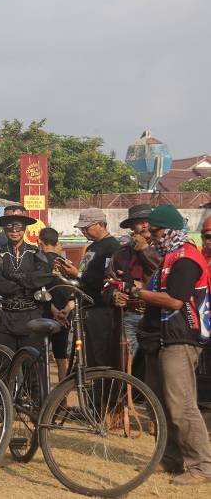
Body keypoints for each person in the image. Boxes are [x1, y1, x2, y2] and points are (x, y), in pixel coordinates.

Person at [121, 204, 211, 485]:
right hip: (159, 338)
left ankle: (201, 466)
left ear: (170, 230)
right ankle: (170, 458)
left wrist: (138, 291)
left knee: (181, 405)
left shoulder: (186, 258)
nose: (151, 237)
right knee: (159, 403)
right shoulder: (170, 257)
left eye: (155, 232)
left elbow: (174, 300)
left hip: (179, 338)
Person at [0, 213, 53, 353]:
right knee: (0, 366)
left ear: (25, 229)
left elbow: (44, 277)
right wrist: (26, 283)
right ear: (4, 229)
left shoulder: (36, 253)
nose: (14, 231)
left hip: (31, 314)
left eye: (18, 227)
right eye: (10, 227)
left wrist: (11, 276)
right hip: (5, 315)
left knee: (32, 366)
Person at [59, 208, 119, 369]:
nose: (84, 231)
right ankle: (95, 393)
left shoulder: (112, 247)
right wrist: (72, 274)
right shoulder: (92, 247)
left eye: (87, 228)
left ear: (100, 224)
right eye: (82, 228)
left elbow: (108, 281)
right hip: (87, 308)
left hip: (102, 309)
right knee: (90, 360)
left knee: (102, 359)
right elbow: (84, 276)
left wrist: (78, 274)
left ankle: (103, 393)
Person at [102, 204, 161, 362]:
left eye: (147, 221)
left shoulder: (165, 248)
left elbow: (164, 270)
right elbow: (108, 282)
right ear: (131, 226)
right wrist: (114, 295)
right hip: (130, 313)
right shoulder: (121, 252)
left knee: (157, 362)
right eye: (139, 222)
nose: (145, 225)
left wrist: (145, 249)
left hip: (157, 313)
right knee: (128, 363)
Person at [38, 227, 73, 381]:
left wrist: (53, 311)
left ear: (39, 241)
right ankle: (62, 399)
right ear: (57, 242)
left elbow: (39, 291)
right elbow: (74, 291)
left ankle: (43, 396)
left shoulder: (37, 262)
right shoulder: (67, 264)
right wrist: (65, 311)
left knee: (41, 358)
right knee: (61, 358)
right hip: (65, 316)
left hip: (44, 315)